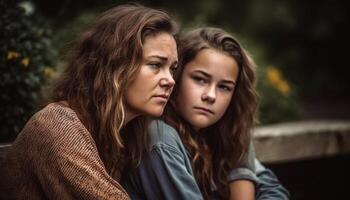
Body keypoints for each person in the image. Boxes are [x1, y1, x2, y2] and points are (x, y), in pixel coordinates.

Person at [0, 4, 178, 199]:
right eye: (155, 65)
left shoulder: (123, 134)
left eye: (172, 68)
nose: (170, 80)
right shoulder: (57, 126)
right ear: (115, 65)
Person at [121, 27, 289, 199]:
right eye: (200, 79)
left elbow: (272, 190)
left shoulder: (223, 135)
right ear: (176, 77)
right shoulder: (160, 139)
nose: (210, 96)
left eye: (224, 87)